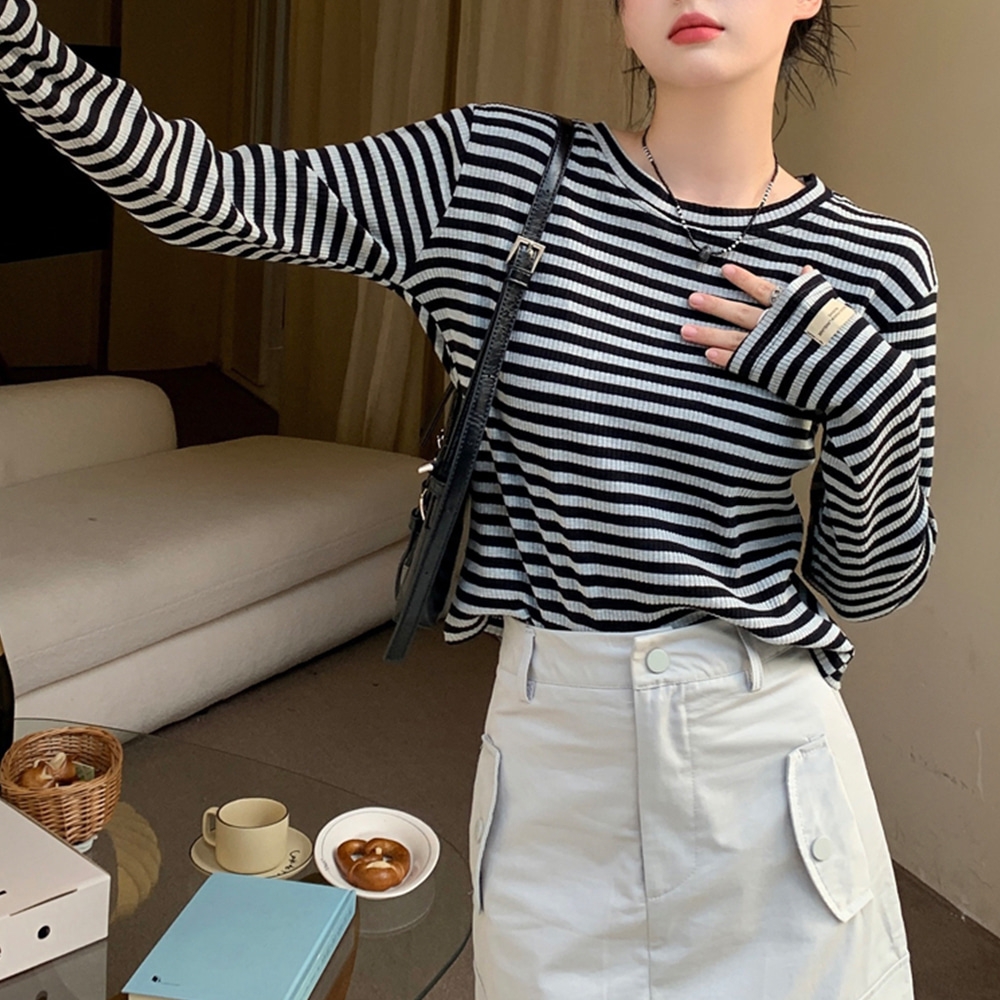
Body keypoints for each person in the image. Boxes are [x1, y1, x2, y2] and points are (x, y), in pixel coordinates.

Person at [0, 0, 936, 996]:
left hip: (766, 751)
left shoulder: (874, 263)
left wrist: (869, 396)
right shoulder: (496, 174)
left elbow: (866, 584)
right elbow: (203, 192)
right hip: (559, 741)